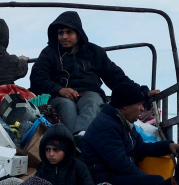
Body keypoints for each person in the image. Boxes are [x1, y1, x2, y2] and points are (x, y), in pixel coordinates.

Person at [29, 11, 159, 135]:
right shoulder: (49, 53)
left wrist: (143, 92)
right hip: (60, 98)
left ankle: (81, 137)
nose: (64, 36)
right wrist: (59, 90)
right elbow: (37, 78)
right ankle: (71, 141)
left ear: (78, 33)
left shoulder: (95, 52)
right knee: (67, 105)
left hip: (89, 94)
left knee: (91, 101)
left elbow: (116, 77)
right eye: (60, 33)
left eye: (69, 32)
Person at [82, 83, 179, 185]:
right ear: (125, 106)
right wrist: (147, 179)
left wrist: (168, 147)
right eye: (139, 104)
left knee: (161, 184)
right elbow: (120, 164)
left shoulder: (124, 122)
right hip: (103, 182)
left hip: (117, 177)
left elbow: (141, 148)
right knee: (156, 182)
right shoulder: (106, 125)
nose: (142, 109)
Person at [34, 123, 101, 185]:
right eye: (47, 149)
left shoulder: (78, 167)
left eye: (56, 150)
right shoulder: (42, 172)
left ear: (66, 151)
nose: (51, 154)